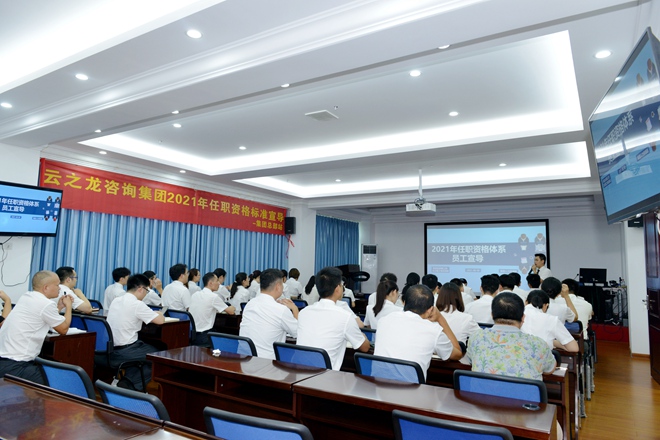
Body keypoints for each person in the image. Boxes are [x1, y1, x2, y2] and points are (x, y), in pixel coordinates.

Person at [374, 284, 462, 380]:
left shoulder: (384, 320)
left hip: (377, 384)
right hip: (411, 388)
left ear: (404, 303)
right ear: (431, 309)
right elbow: (457, 354)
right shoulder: (433, 330)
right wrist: (440, 318)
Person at [0, 271, 73, 384]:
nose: (59, 288)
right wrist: (69, 306)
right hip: (17, 366)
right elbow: (63, 329)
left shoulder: (27, 296)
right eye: (57, 285)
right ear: (46, 287)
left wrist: (59, 307)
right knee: (58, 381)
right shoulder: (45, 304)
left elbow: (42, 316)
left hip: (4, 361)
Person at [466, 291, 556, 381]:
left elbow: (471, 361)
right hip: (523, 390)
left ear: (492, 315)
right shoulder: (539, 344)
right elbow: (550, 369)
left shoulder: (476, 338)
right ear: (523, 318)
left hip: (481, 390)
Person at [297, 267, 370, 370]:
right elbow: (365, 348)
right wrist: (363, 336)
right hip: (325, 376)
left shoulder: (304, 312)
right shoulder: (345, 316)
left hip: (300, 372)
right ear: (337, 289)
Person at [107, 274, 165, 390]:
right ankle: (129, 384)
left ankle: (125, 381)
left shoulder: (116, 300)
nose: (146, 294)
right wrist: (159, 313)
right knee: (160, 357)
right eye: (146, 291)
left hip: (111, 349)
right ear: (140, 289)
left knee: (144, 354)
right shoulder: (137, 304)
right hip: (127, 350)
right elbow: (160, 320)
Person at [240, 268, 300, 359]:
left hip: (244, 360)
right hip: (267, 363)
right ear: (278, 286)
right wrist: (295, 309)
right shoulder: (281, 310)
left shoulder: (250, 304)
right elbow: (298, 332)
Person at [189, 272, 236, 346]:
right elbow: (231, 312)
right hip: (204, 336)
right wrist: (233, 307)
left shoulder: (195, 294)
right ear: (210, 283)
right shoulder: (213, 297)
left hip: (192, 335)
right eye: (217, 281)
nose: (219, 283)